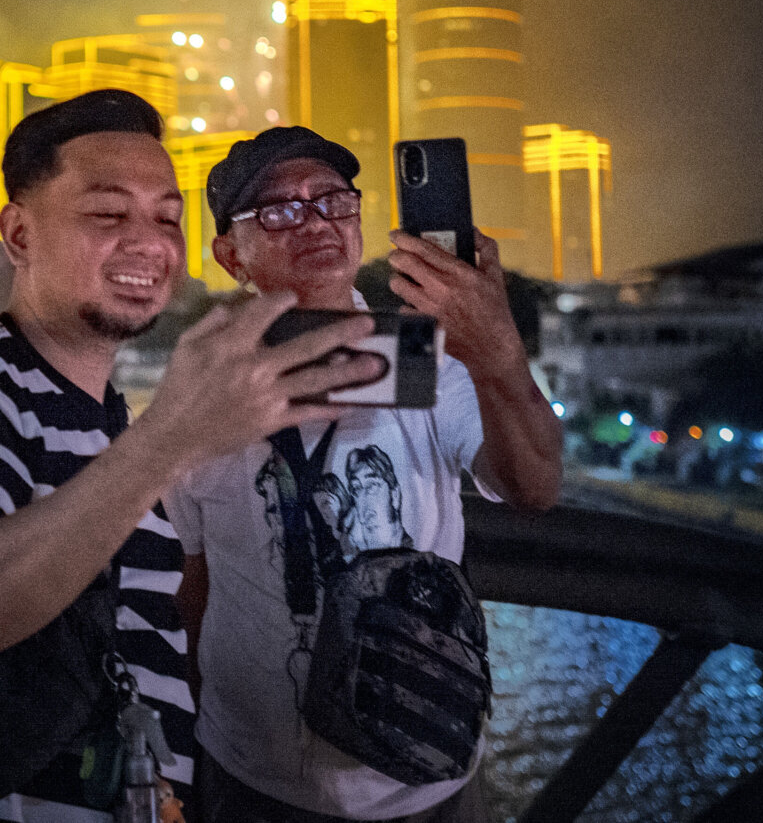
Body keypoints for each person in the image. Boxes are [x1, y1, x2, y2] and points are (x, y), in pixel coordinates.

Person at [0, 92, 384, 822]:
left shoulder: (105, 421)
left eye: (167, 218)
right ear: (19, 234)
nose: (149, 242)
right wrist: (174, 439)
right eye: (107, 214)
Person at [163, 127, 564, 823]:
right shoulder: (203, 384)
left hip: (422, 769)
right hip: (253, 778)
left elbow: (534, 487)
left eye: (332, 201)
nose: (315, 220)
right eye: (280, 211)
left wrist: (495, 345)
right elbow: (190, 587)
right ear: (231, 255)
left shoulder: (428, 359)